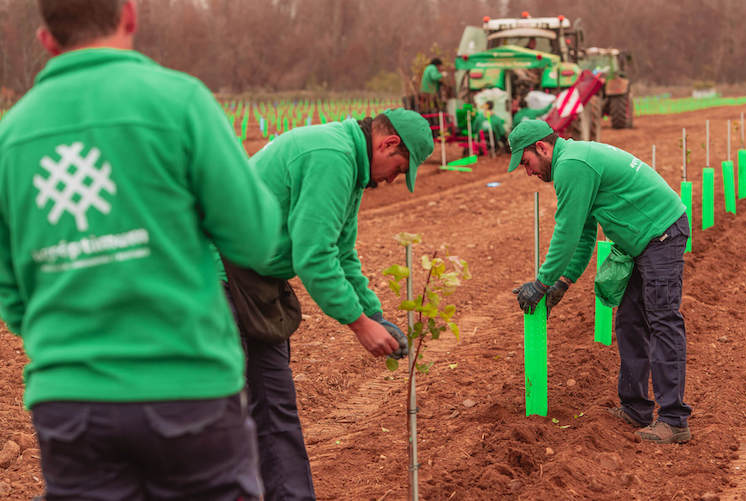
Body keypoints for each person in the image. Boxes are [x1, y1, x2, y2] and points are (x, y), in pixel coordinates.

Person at [0, 1, 282, 499]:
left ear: (47, 40)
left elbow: (13, 296)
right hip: (187, 390)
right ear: (130, 16)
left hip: (70, 404)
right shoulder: (180, 103)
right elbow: (256, 239)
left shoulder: (10, 137)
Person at [225, 108, 433, 500]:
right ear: (387, 144)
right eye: (399, 168)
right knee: (220, 412)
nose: (393, 179)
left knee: (273, 406)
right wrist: (359, 324)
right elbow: (314, 257)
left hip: (254, 283)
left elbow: (341, 251)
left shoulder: (350, 166)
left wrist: (375, 314)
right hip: (216, 277)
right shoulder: (331, 156)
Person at [508, 120, 692, 444]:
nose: (528, 172)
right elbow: (584, 233)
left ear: (541, 147)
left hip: (660, 233)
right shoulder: (574, 159)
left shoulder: (571, 165)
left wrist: (541, 283)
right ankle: (636, 408)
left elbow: (565, 233)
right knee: (630, 322)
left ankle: (674, 420)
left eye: (526, 163)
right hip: (644, 240)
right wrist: (562, 282)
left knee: (663, 321)